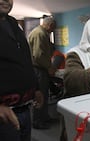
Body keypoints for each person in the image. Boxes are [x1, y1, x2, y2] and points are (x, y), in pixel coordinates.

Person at [0, 0, 43, 140]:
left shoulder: (14, 24)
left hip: (24, 108)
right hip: (3, 114)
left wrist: (35, 88)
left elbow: (25, 59)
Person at [28, 16, 57, 129]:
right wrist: (49, 67)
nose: (52, 31)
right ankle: (37, 121)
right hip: (39, 69)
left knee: (44, 95)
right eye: (53, 28)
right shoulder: (40, 33)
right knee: (40, 96)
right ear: (49, 25)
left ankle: (44, 117)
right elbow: (39, 55)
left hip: (41, 68)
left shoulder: (41, 32)